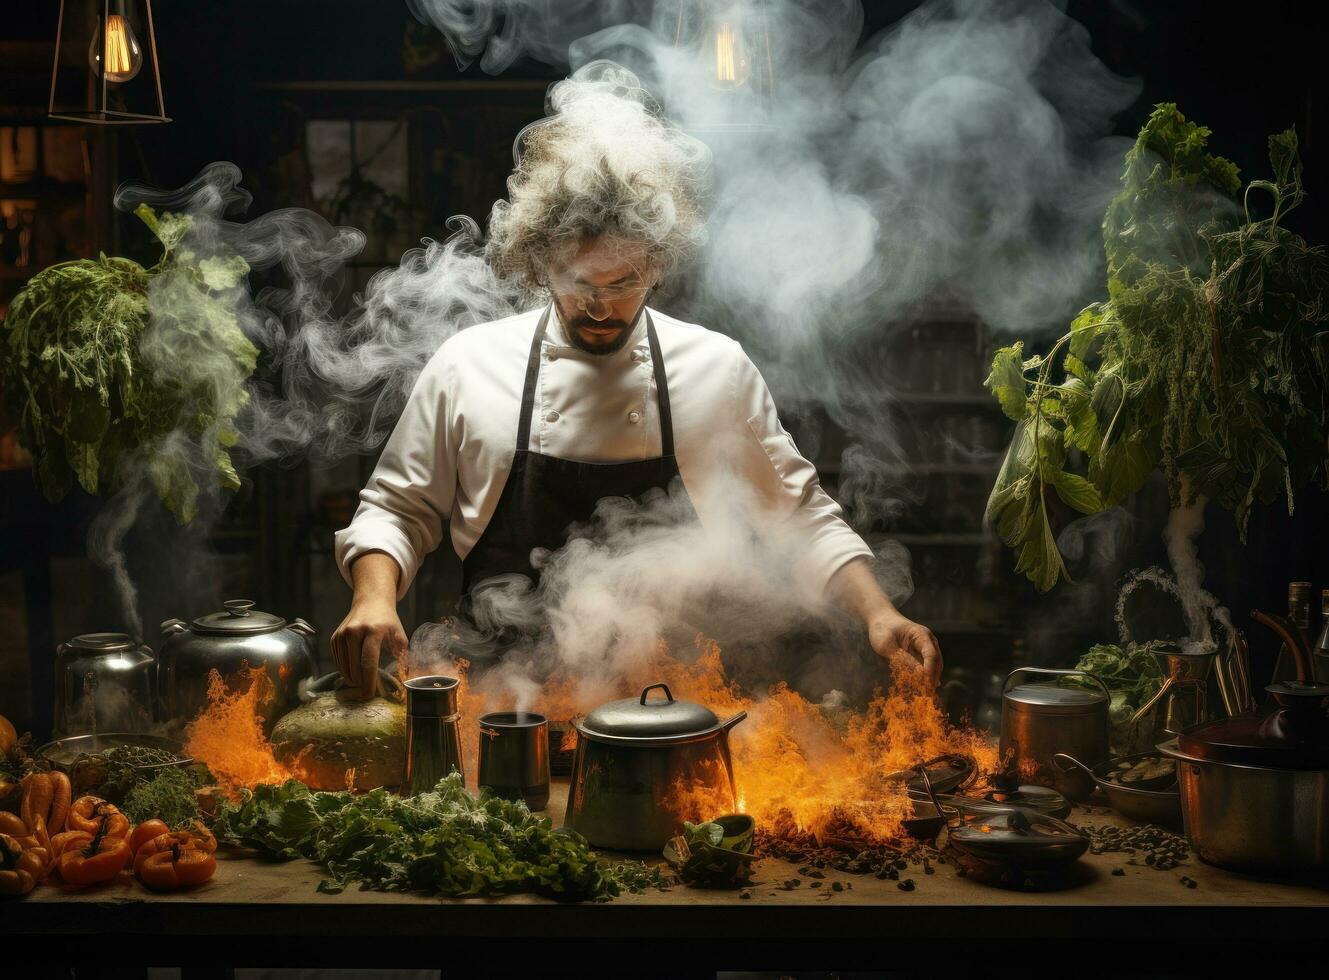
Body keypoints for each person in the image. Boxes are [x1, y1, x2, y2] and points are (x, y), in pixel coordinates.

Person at [331, 65, 941, 696]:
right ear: (539, 263)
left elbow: (799, 515)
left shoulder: (714, 369)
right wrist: (373, 599)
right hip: (504, 707)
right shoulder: (469, 365)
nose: (600, 307)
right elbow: (396, 510)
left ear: (657, 266)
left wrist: (878, 612)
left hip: (673, 708)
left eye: (622, 285)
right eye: (579, 284)